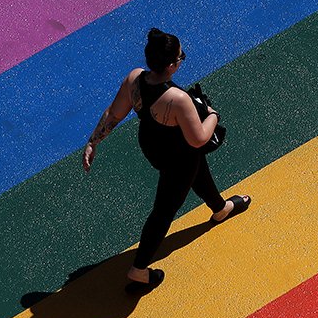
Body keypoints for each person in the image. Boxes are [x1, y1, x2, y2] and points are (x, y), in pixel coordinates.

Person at [82, 28, 249, 290]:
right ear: (171, 66)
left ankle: (220, 208)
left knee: (197, 168)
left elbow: (114, 114)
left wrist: (93, 141)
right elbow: (198, 139)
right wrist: (212, 114)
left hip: (152, 144)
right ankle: (138, 270)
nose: (182, 60)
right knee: (164, 210)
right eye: (182, 57)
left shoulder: (134, 79)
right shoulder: (178, 100)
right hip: (178, 155)